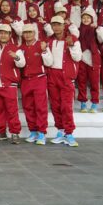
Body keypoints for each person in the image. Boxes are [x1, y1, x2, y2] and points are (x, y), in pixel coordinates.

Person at [43, 16, 82, 147]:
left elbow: (78, 57)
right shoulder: (49, 40)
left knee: (66, 106)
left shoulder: (72, 39)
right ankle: (60, 131)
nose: (56, 27)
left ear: (64, 26)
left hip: (66, 77)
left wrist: (71, 45)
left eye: (59, 24)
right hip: (52, 75)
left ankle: (69, 133)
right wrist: (44, 51)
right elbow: (48, 61)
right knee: (55, 106)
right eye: (54, 25)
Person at [0, 24, 25, 144]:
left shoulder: (15, 48)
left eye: (5, 33)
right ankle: (1, 132)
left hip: (9, 84)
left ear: (10, 35)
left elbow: (22, 63)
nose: (3, 35)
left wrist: (16, 57)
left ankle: (15, 132)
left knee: (12, 110)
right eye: (1, 33)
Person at [20, 24, 49, 145]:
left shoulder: (41, 45)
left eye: (30, 32)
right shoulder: (21, 47)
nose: (27, 35)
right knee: (28, 106)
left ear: (34, 33)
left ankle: (41, 132)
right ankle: (33, 131)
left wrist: (44, 51)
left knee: (40, 106)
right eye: (25, 32)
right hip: (26, 80)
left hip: (39, 78)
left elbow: (49, 62)